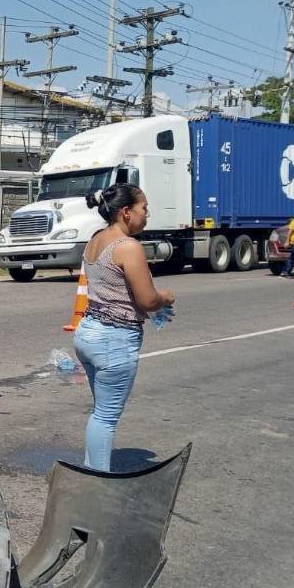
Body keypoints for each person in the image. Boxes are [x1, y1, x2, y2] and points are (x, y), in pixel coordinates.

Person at [73, 185, 175, 472]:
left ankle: (91, 470)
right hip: (113, 340)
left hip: (89, 332)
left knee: (100, 413)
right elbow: (148, 299)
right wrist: (166, 297)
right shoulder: (128, 247)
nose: (147, 214)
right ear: (126, 212)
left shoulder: (96, 239)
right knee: (105, 417)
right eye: (144, 208)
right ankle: (97, 481)